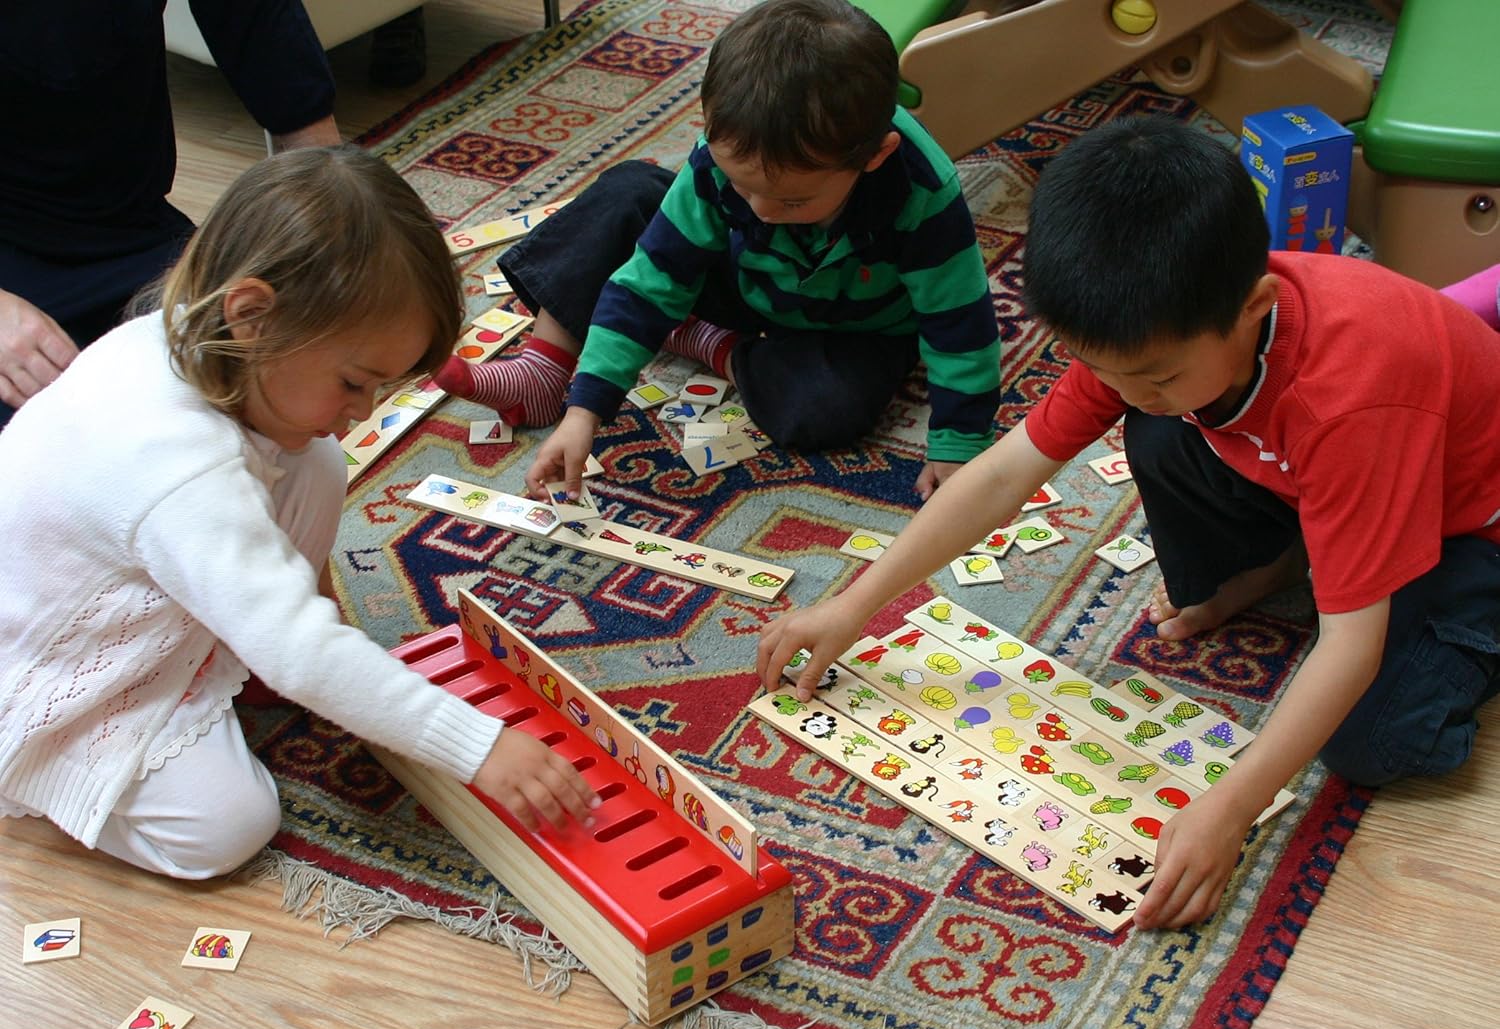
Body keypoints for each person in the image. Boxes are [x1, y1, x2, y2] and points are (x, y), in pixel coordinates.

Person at [757, 115, 1500, 931]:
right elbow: (1005, 472)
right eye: (1103, 368)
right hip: (1325, 469)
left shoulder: (1351, 401)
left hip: (1471, 525)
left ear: (1255, 309)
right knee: (1159, 424)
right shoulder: (1161, 335)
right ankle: (1292, 556)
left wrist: (1230, 804)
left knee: (1372, 744)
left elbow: (1351, 644)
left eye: (1151, 370)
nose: (1121, 384)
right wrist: (854, 604)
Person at [0, 147, 599, 879]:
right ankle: (43, 780)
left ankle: (249, 640)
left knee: (315, 461)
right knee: (228, 826)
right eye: (354, 380)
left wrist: (307, 641)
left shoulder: (187, 343)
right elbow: (300, 651)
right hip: (47, 672)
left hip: (121, 589)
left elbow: (299, 631)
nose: (364, 410)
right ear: (252, 316)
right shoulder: (177, 465)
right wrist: (476, 746)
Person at [431, 0, 1001, 501]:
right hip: (740, 278)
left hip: (855, 326)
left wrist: (958, 444)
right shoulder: (722, 162)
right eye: (743, 186)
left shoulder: (925, 193)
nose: (760, 210)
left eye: (793, 200)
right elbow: (650, 277)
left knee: (825, 410)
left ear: (875, 156)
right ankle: (546, 365)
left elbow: (959, 325)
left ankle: (702, 339)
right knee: (626, 194)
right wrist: (585, 410)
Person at [0, 0, 341, 429]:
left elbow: (258, 22)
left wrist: (336, 209)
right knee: (44, 448)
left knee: (280, 394)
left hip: (136, 236)